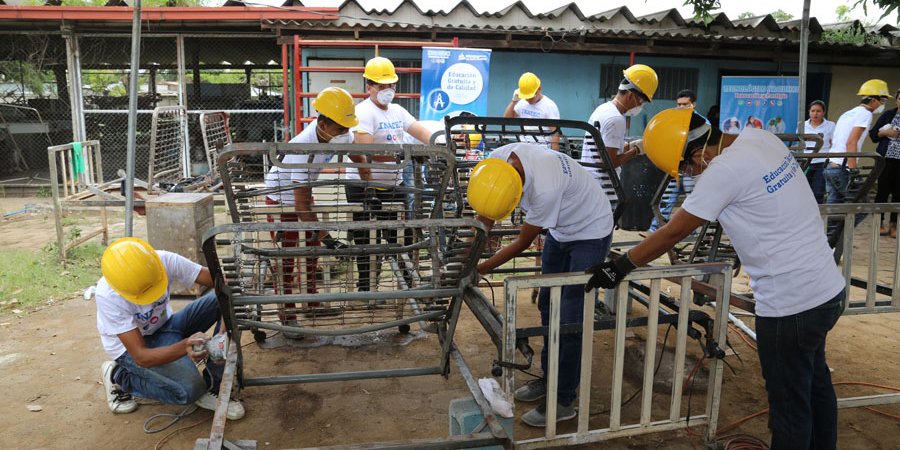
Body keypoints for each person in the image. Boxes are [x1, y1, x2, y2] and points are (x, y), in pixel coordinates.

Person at [585, 108, 846, 450]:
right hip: (826, 290)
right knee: (815, 386)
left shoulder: (722, 171)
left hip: (789, 304)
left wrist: (618, 267)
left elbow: (670, 233)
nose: (691, 174)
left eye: (688, 167)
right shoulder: (760, 138)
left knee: (789, 408)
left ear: (698, 151)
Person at [468, 142, 613, 428]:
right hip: (560, 231)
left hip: (590, 231)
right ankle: (550, 379)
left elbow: (522, 242)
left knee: (570, 315)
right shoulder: (495, 164)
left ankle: (563, 400)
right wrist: (472, 252)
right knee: (548, 303)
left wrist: (480, 269)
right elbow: (486, 211)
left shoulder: (545, 187)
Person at [96, 237, 245, 420]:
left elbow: (225, 286)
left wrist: (221, 335)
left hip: (166, 326)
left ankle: (214, 385)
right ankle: (118, 376)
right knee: (188, 392)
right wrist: (184, 347)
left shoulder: (163, 261)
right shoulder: (108, 296)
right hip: (135, 349)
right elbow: (141, 356)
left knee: (222, 299)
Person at [264, 87, 356, 333]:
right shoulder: (302, 148)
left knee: (312, 250)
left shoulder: (339, 133)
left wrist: (366, 177)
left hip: (302, 191)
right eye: (340, 129)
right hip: (282, 198)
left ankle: (312, 301)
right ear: (323, 124)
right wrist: (327, 237)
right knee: (288, 256)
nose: (345, 134)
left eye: (347, 128)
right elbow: (300, 204)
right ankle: (287, 313)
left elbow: (356, 150)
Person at [350, 56, 434, 291]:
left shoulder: (397, 111)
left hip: (393, 184)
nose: (387, 90)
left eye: (390, 85)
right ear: (369, 87)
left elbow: (419, 131)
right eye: (381, 85)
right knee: (365, 238)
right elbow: (364, 151)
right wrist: (399, 156)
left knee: (400, 235)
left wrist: (440, 144)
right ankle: (366, 286)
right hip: (363, 185)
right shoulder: (364, 112)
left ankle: (406, 283)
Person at [825, 79, 892, 205]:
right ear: (873, 100)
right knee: (862, 206)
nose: (882, 105)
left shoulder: (848, 113)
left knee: (833, 209)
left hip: (831, 165)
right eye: (882, 101)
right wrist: (853, 170)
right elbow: (851, 142)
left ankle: (831, 226)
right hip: (843, 167)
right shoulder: (865, 114)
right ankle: (841, 226)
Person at [650, 88, 696, 231]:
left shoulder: (701, 123)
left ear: (693, 104)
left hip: (692, 170)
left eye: (685, 104)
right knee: (665, 201)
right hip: (674, 169)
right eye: (679, 104)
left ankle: (690, 232)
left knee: (692, 203)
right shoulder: (672, 121)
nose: (681, 107)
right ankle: (654, 231)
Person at [870, 88, 900, 237]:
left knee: (898, 194)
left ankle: (893, 225)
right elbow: (873, 135)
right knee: (882, 191)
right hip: (886, 160)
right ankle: (879, 222)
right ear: (897, 99)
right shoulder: (888, 115)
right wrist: (886, 133)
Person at [503, 72, 561, 150]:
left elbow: (555, 133)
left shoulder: (549, 105)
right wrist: (514, 101)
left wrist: (554, 156)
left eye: (531, 97)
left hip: (542, 148)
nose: (528, 100)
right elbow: (507, 119)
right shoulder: (522, 102)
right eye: (526, 97)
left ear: (539, 89)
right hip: (524, 147)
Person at [803, 100, 836, 204]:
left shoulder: (831, 125)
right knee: (804, 191)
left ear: (823, 112)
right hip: (806, 163)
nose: (815, 114)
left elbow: (834, 143)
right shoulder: (802, 125)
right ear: (809, 112)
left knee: (818, 192)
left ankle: (819, 215)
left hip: (822, 162)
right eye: (812, 111)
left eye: (818, 111)